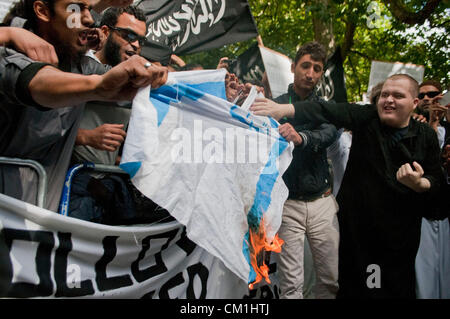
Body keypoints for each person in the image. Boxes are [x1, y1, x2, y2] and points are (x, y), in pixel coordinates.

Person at [250, 73, 444, 298]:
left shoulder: (426, 135)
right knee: (359, 288)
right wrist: (283, 110)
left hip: (398, 241)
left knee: (389, 289)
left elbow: (437, 181)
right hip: (359, 235)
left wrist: (421, 183)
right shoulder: (367, 118)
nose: (389, 100)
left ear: (414, 103)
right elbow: (324, 110)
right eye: (384, 94)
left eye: (398, 96)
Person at [0, 0, 167, 212]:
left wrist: (159, 77)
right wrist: (97, 87)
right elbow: (38, 82)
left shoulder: (79, 64)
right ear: (42, 11)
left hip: (41, 225)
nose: (89, 19)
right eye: (77, 9)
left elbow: (120, 80)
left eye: (89, 9)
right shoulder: (8, 52)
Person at [272, 42, 339, 299]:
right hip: (288, 205)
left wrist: (300, 137)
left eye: (317, 69)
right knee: (291, 286)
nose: (310, 73)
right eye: (306, 66)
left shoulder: (325, 107)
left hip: (323, 202)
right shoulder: (273, 104)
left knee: (331, 279)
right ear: (293, 67)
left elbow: (328, 133)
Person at [414, 80, 450, 299]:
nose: (427, 98)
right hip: (421, 215)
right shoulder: (412, 127)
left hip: (445, 214)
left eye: (432, 94)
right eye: (422, 95)